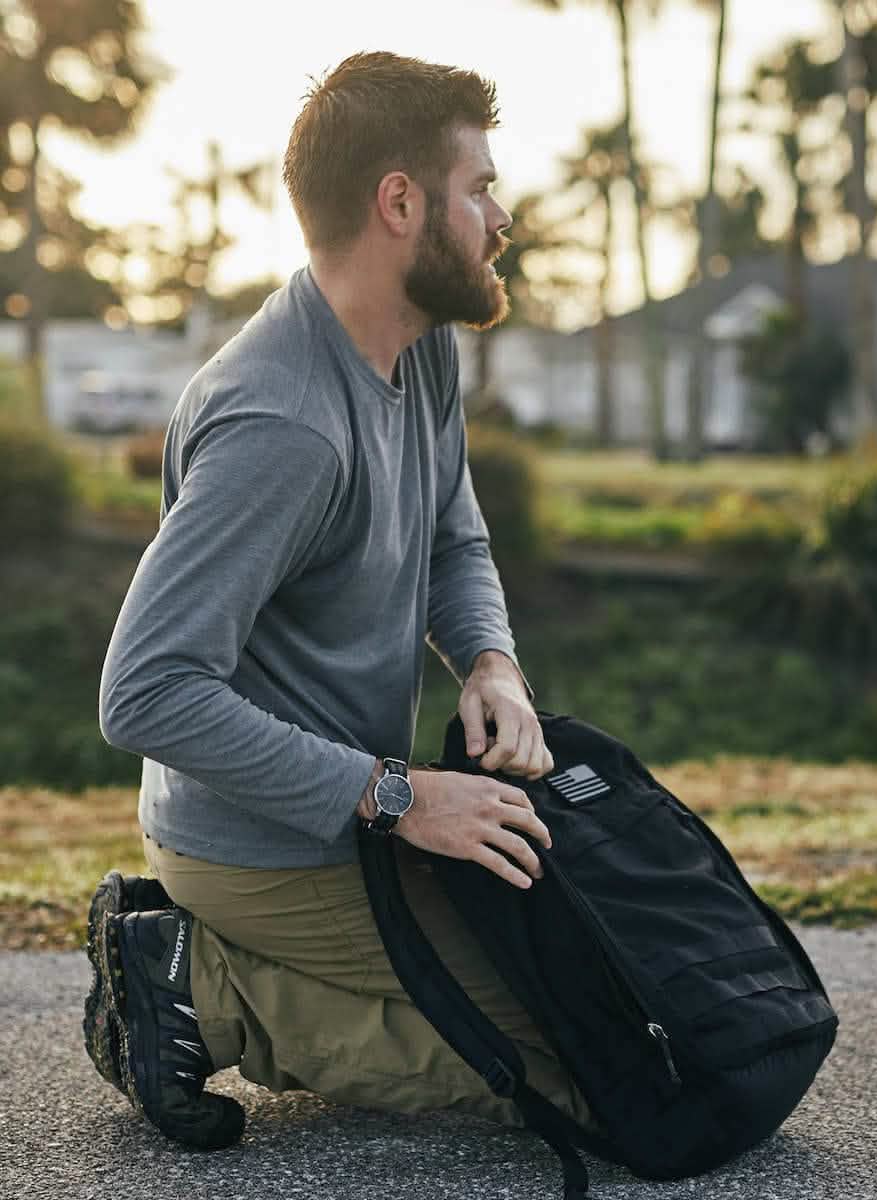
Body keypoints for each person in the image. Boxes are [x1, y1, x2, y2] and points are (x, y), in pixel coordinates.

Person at [87, 51, 596, 1150]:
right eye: (480, 189)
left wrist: (491, 662)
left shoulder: (419, 349)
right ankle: (203, 985)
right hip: (258, 846)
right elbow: (144, 692)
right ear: (400, 204)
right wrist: (400, 797)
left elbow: (453, 532)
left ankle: (240, 972)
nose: (501, 216)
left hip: (352, 814)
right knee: (572, 1061)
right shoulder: (283, 426)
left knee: (602, 980)